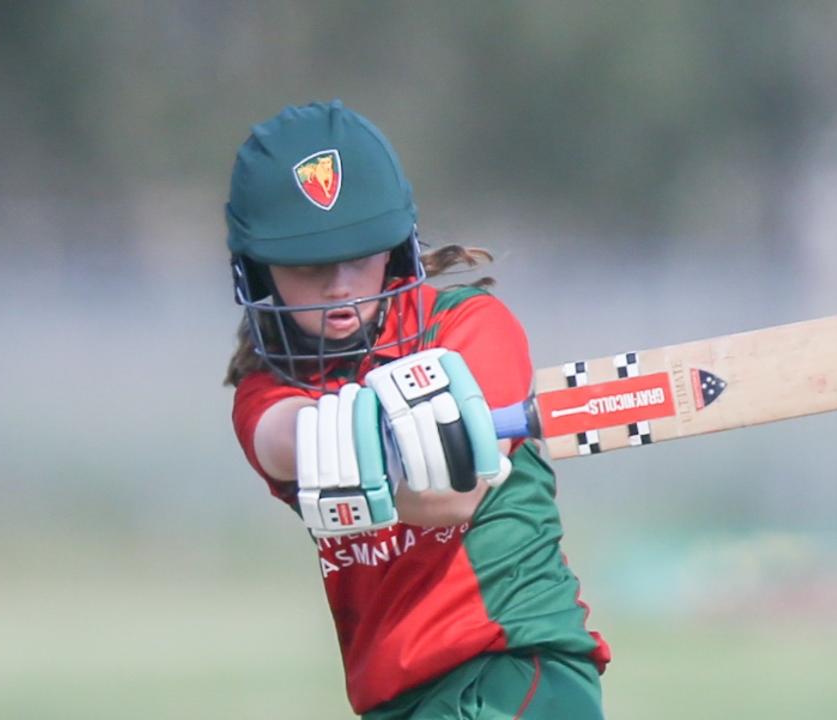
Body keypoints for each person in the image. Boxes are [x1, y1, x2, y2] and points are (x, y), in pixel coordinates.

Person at [223, 100, 611, 719]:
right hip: (396, 702)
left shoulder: (466, 324)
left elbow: (456, 494)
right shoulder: (268, 388)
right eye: (309, 265)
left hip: (511, 669)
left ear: (397, 248)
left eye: (361, 254)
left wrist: (363, 452)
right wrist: (330, 437)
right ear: (258, 273)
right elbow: (278, 436)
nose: (341, 285)